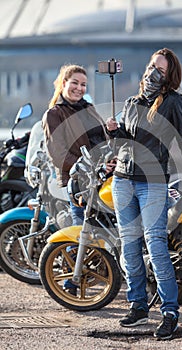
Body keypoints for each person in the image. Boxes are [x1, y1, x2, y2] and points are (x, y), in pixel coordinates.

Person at [106, 48, 182, 340]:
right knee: (129, 245)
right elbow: (127, 142)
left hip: (153, 182)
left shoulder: (174, 102)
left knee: (156, 245)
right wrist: (113, 132)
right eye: (151, 66)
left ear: (169, 76)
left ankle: (170, 311)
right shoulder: (132, 102)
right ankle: (138, 304)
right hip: (123, 180)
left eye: (159, 69)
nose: (151, 73)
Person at [42, 64, 109, 293]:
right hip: (80, 182)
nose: (79, 88)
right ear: (63, 83)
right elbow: (58, 154)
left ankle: (101, 273)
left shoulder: (88, 108)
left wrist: (110, 131)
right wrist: (88, 167)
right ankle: (71, 282)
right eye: (75, 83)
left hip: (103, 178)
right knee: (82, 231)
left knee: (105, 230)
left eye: (83, 85)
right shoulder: (54, 114)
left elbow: (100, 138)